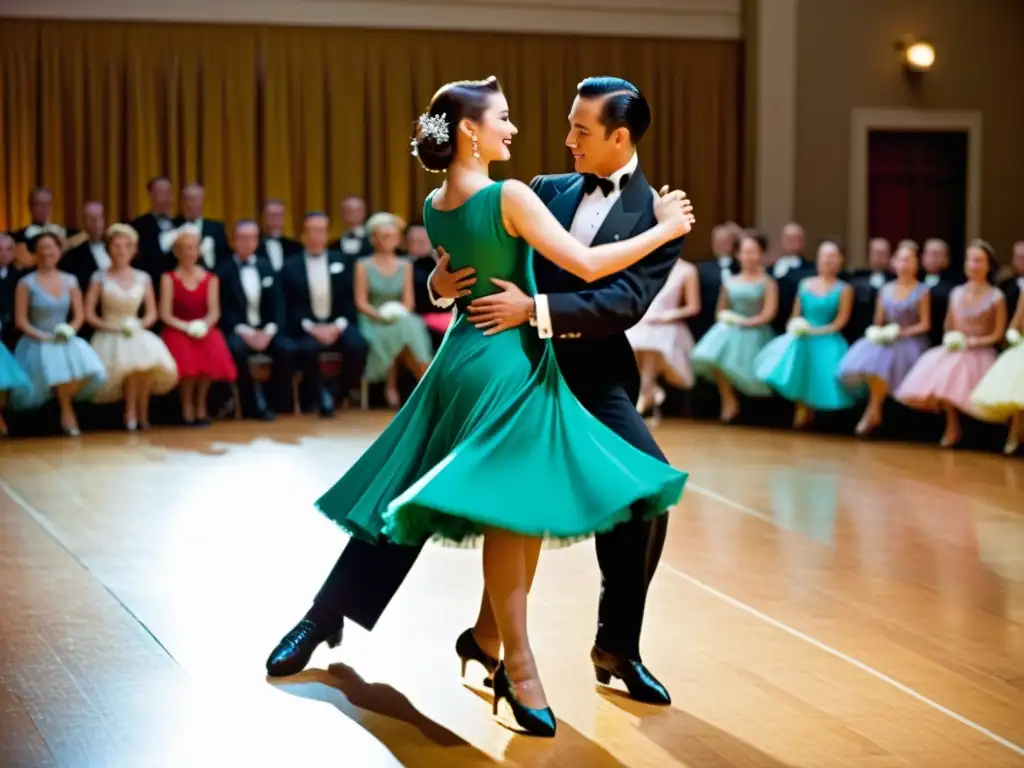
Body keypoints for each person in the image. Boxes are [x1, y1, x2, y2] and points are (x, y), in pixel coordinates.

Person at [267, 76, 692, 735]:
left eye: (581, 130)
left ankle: (615, 649)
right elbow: (466, 248)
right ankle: (328, 617)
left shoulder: (659, 215)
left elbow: (622, 304)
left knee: (644, 490)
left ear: (620, 137)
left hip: (589, 375)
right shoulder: (539, 189)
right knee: (411, 487)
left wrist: (538, 309)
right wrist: (441, 284)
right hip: (504, 361)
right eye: (567, 124)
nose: (565, 138)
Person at [754, 239, 857, 428]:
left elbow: (839, 322)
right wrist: (797, 327)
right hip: (803, 334)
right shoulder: (804, 284)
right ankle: (800, 408)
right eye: (824, 256)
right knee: (797, 351)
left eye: (832, 256)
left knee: (824, 359)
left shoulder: (845, 289)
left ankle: (817, 412)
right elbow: (795, 315)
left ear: (840, 260)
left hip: (827, 334)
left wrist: (814, 331)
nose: (827, 260)